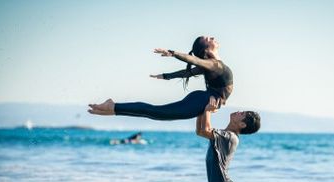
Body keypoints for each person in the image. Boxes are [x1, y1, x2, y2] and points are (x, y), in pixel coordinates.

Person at [88, 36, 232, 120]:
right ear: (206, 50)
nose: (212, 37)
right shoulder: (215, 65)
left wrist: (165, 76)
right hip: (202, 100)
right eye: (209, 38)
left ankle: (113, 108)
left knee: (155, 112)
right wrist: (172, 53)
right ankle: (113, 107)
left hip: (202, 99)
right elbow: (194, 61)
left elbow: (187, 73)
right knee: (156, 112)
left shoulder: (214, 65)